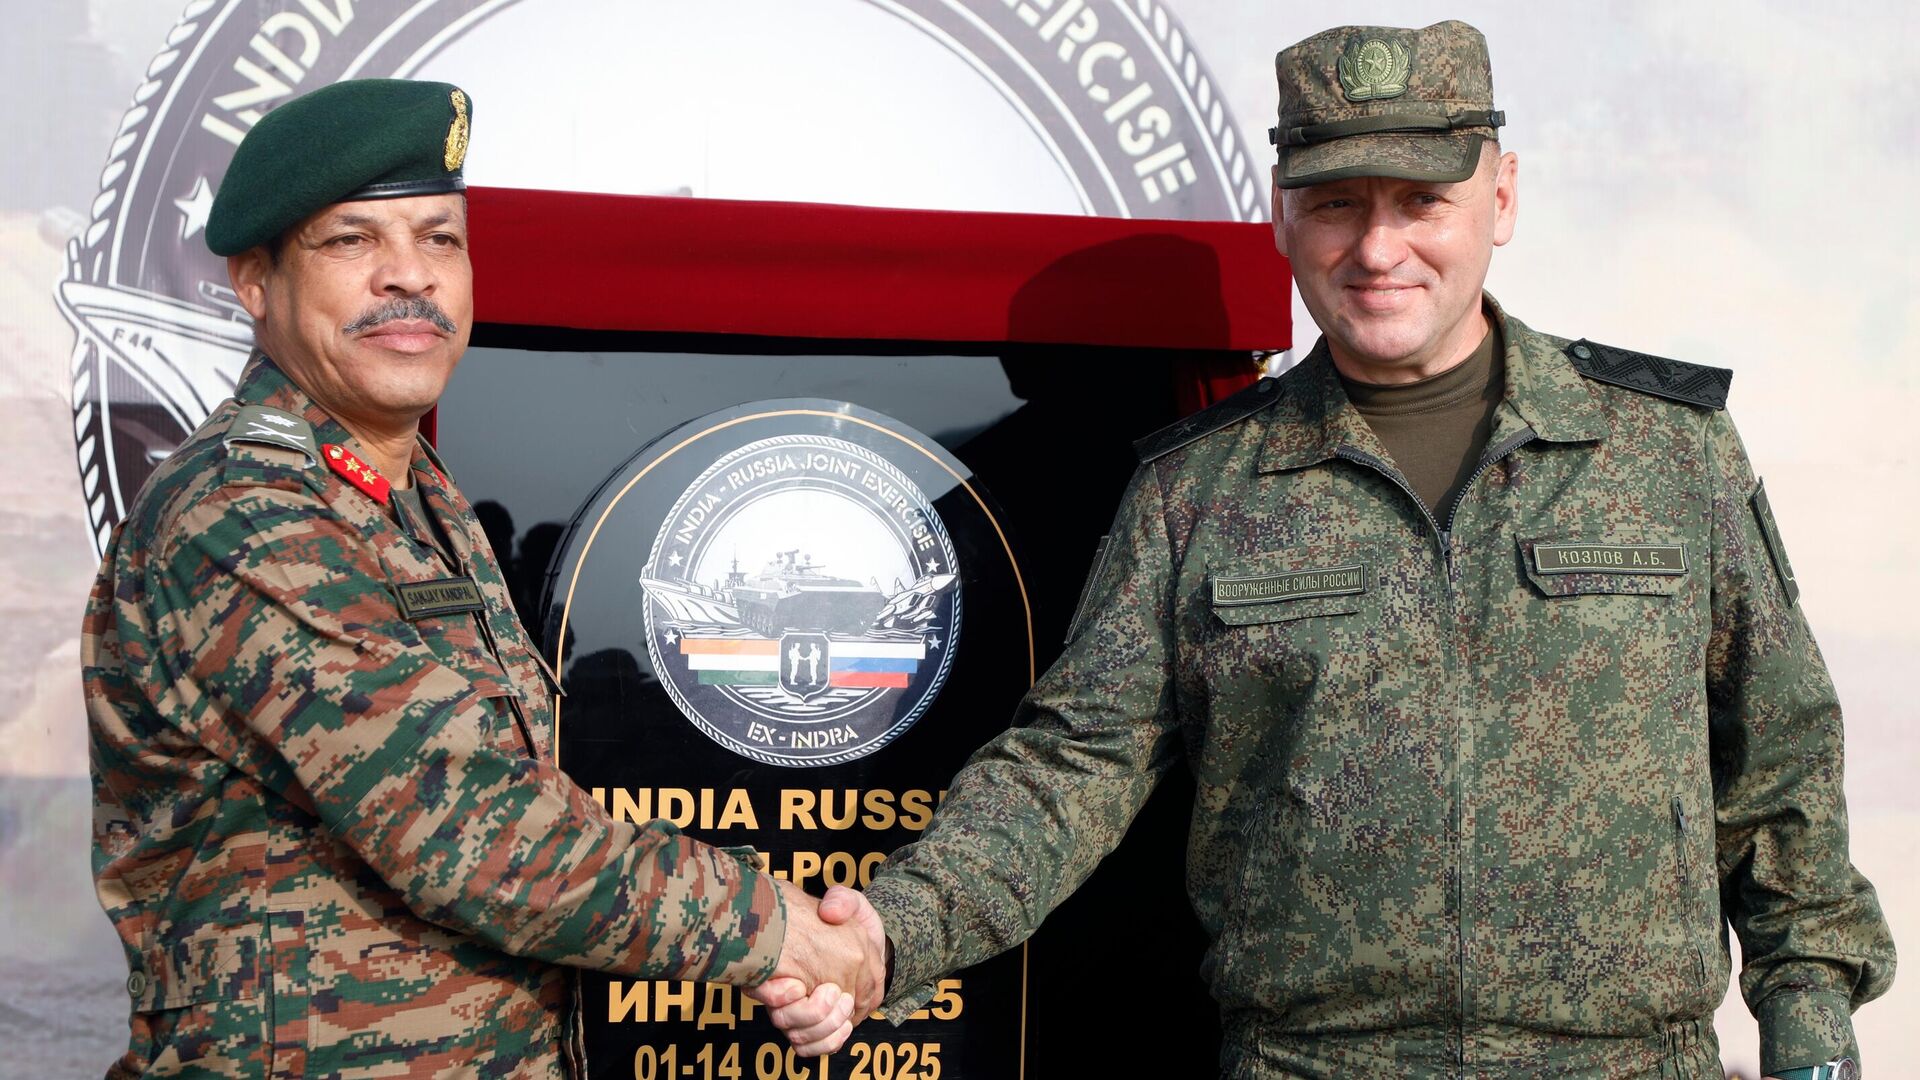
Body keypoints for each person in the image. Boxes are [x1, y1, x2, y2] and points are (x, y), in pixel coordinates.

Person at [764, 20, 1895, 1079]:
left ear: (1502, 197)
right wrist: (887, 938)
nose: (1378, 247)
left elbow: (1782, 766)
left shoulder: (1668, 454)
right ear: (1282, 216)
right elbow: (1070, 770)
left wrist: (1812, 1040)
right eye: (1337, 203)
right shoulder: (1197, 492)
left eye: (1421, 200)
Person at [83, 78, 879, 1077]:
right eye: (352, 241)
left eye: (440, 239)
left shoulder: (411, 491)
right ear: (256, 283)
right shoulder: (244, 509)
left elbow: (521, 788)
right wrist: (780, 932)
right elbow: (469, 825)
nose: (408, 276)